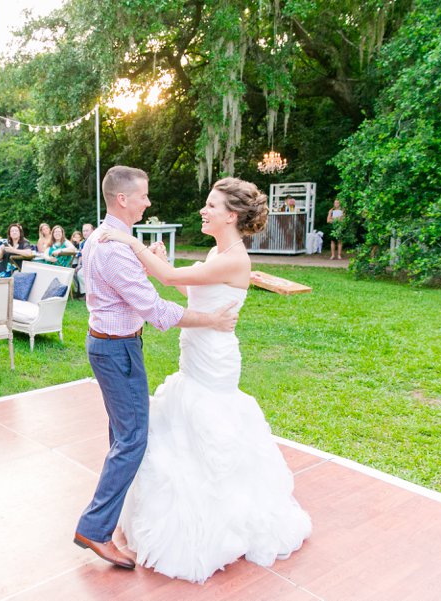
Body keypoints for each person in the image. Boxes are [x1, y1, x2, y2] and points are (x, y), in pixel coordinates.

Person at [99, 176, 312, 582]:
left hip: (214, 361)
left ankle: (220, 522)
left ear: (231, 215)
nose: (204, 210)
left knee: (210, 428)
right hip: (194, 354)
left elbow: (167, 278)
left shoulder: (235, 258)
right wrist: (157, 257)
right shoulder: (219, 251)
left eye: (211, 206)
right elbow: (189, 291)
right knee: (181, 428)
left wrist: (131, 243)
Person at [72, 166, 238, 570]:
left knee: (122, 436)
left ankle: (112, 517)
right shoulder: (112, 246)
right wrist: (211, 321)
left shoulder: (104, 237)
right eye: (143, 195)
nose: (149, 201)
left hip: (108, 345)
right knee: (132, 440)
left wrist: (153, 263)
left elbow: (127, 281)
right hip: (118, 351)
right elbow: (158, 311)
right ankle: (94, 529)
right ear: (123, 200)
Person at [74, 223, 95, 296]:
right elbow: (80, 255)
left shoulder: (95, 241)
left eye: (87, 231)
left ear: (92, 231)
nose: (85, 233)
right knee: (74, 272)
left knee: (80, 273)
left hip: (92, 265)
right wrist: (78, 265)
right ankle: (78, 291)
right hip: (84, 264)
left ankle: (85, 294)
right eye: (83, 231)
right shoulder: (82, 243)